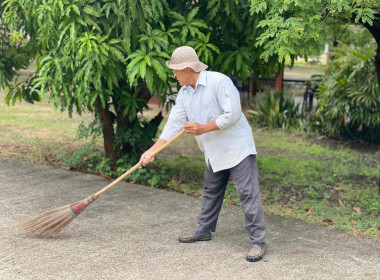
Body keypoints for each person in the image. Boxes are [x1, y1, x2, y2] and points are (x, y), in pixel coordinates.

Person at [139, 46, 266, 262]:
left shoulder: (218, 81)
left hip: (237, 146)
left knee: (247, 192)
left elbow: (233, 114)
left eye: (175, 70)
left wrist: (202, 129)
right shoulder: (184, 93)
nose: (173, 75)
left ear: (187, 68)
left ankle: (258, 241)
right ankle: (204, 230)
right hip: (213, 149)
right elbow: (173, 125)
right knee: (211, 190)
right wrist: (152, 151)